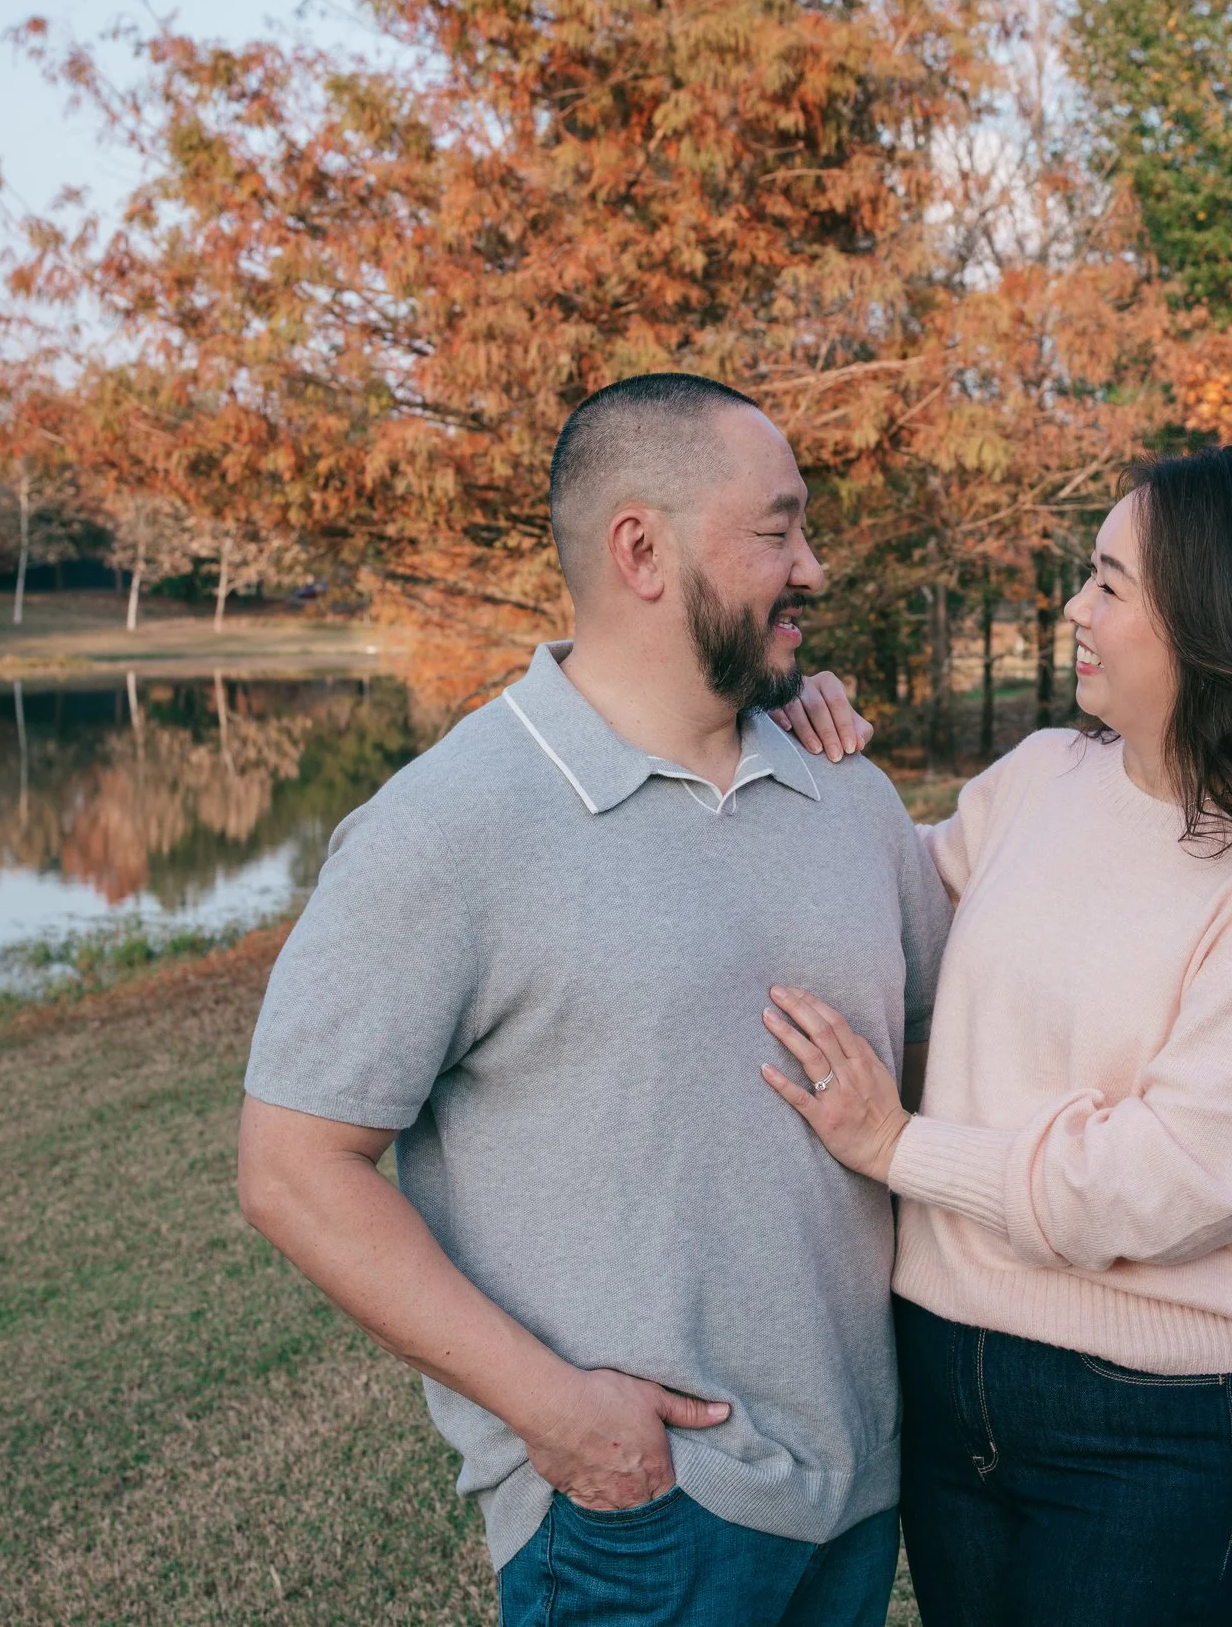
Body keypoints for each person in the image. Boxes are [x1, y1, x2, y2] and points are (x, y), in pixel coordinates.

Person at [235, 372, 949, 1627]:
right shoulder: (448, 829)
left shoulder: (851, 796)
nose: (815, 569)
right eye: (778, 530)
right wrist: (560, 1416)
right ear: (643, 550)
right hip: (640, 1522)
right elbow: (294, 1168)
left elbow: (942, 1057)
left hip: (858, 1501)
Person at [762, 444, 1232, 1627]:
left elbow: (1172, 1185)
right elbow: (880, 921)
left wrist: (899, 1146)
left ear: (1217, 627)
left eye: (1111, 584)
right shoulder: (1039, 777)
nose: (1075, 606)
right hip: (946, 1379)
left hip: (1154, 1428)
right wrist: (814, 758)